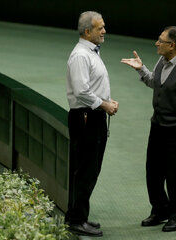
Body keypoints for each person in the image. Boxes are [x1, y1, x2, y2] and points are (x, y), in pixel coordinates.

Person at [121, 26, 176, 232]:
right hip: (158, 126)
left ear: (172, 45)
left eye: (161, 41)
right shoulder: (163, 60)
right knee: (153, 172)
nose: (156, 44)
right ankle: (160, 210)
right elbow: (155, 82)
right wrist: (141, 69)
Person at [65, 11, 119, 237]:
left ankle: (80, 216)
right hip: (86, 117)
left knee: (90, 169)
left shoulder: (91, 52)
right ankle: (76, 220)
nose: (104, 31)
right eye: (100, 28)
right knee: (85, 171)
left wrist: (106, 101)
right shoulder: (81, 55)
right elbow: (81, 91)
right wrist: (104, 105)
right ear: (88, 32)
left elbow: (91, 87)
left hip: (93, 116)